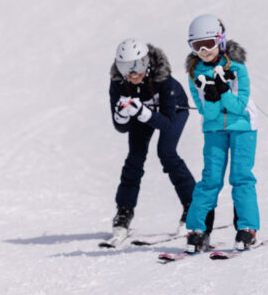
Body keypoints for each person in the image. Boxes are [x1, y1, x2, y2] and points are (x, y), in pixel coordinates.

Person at [107, 38, 196, 246]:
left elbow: (167, 123)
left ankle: (192, 206)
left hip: (174, 111)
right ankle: (124, 211)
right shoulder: (118, 83)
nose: (132, 73)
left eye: (137, 65)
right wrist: (123, 115)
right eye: (125, 67)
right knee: (135, 158)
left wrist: (141, 112)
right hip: (141, 115)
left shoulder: (162, 78)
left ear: (147, 62)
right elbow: (120, 127)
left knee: (166, 153)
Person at [183, 14, 260, 253]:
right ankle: (198, 230)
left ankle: (247, 228)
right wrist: (213, 96)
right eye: (197, 46)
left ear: (221, 40)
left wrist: (223, 90)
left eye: (209, 44)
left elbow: (239, 106)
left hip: (243, 127)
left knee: (240, 177)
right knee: (211, 180)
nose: (204, 51)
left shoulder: (237, 67)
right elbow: (208, 112)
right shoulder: (195, 72)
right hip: (214, 128)